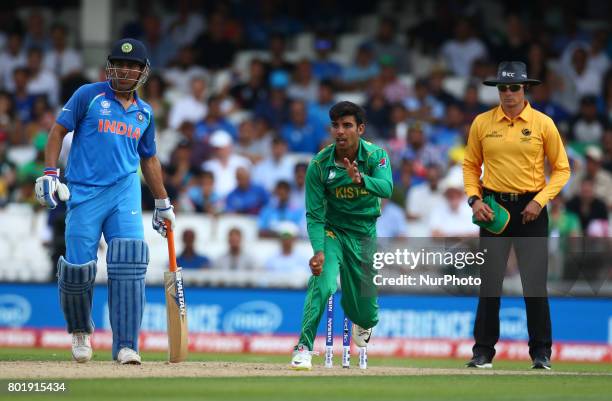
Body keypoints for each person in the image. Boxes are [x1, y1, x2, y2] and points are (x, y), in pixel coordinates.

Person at [34, 38, 175, 365]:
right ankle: (81, 331)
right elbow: (57, 132)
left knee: (129, 263)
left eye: (132, 65)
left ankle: (127, 345)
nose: (124, 70)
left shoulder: (144, 112)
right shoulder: (89, 95)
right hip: (84, 192)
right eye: (119, 63)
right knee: (78, 268)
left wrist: (162, 202)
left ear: (143, 71)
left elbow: (149, 159)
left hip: (124, 193)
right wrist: (51, 173)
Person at [463, 61, 571, 370]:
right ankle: (483, 352)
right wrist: (474, 200)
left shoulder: (542, 124)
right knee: (490, 284)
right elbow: (470, 166)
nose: (508, 93)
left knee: (534, 284)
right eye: (503, 88)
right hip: (494, 208)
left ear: (525, 88)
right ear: (497, 90)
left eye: (514, 87)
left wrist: (540, 201)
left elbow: (562, 169)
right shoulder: (482, 123)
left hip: (530, 209)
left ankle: (541, 353)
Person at [290, 101, 393, 370]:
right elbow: (314, 214)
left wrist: (362, 180)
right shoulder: (319, 164)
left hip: (363, 235)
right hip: (332, 231)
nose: (340, 131)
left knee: (366, 315)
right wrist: (319, 250)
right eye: (335, 125)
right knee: (323, 285)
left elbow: (387, 188)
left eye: (347, 125)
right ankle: (303, 347)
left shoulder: (375, 156)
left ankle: (361, 316)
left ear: (360, 128)